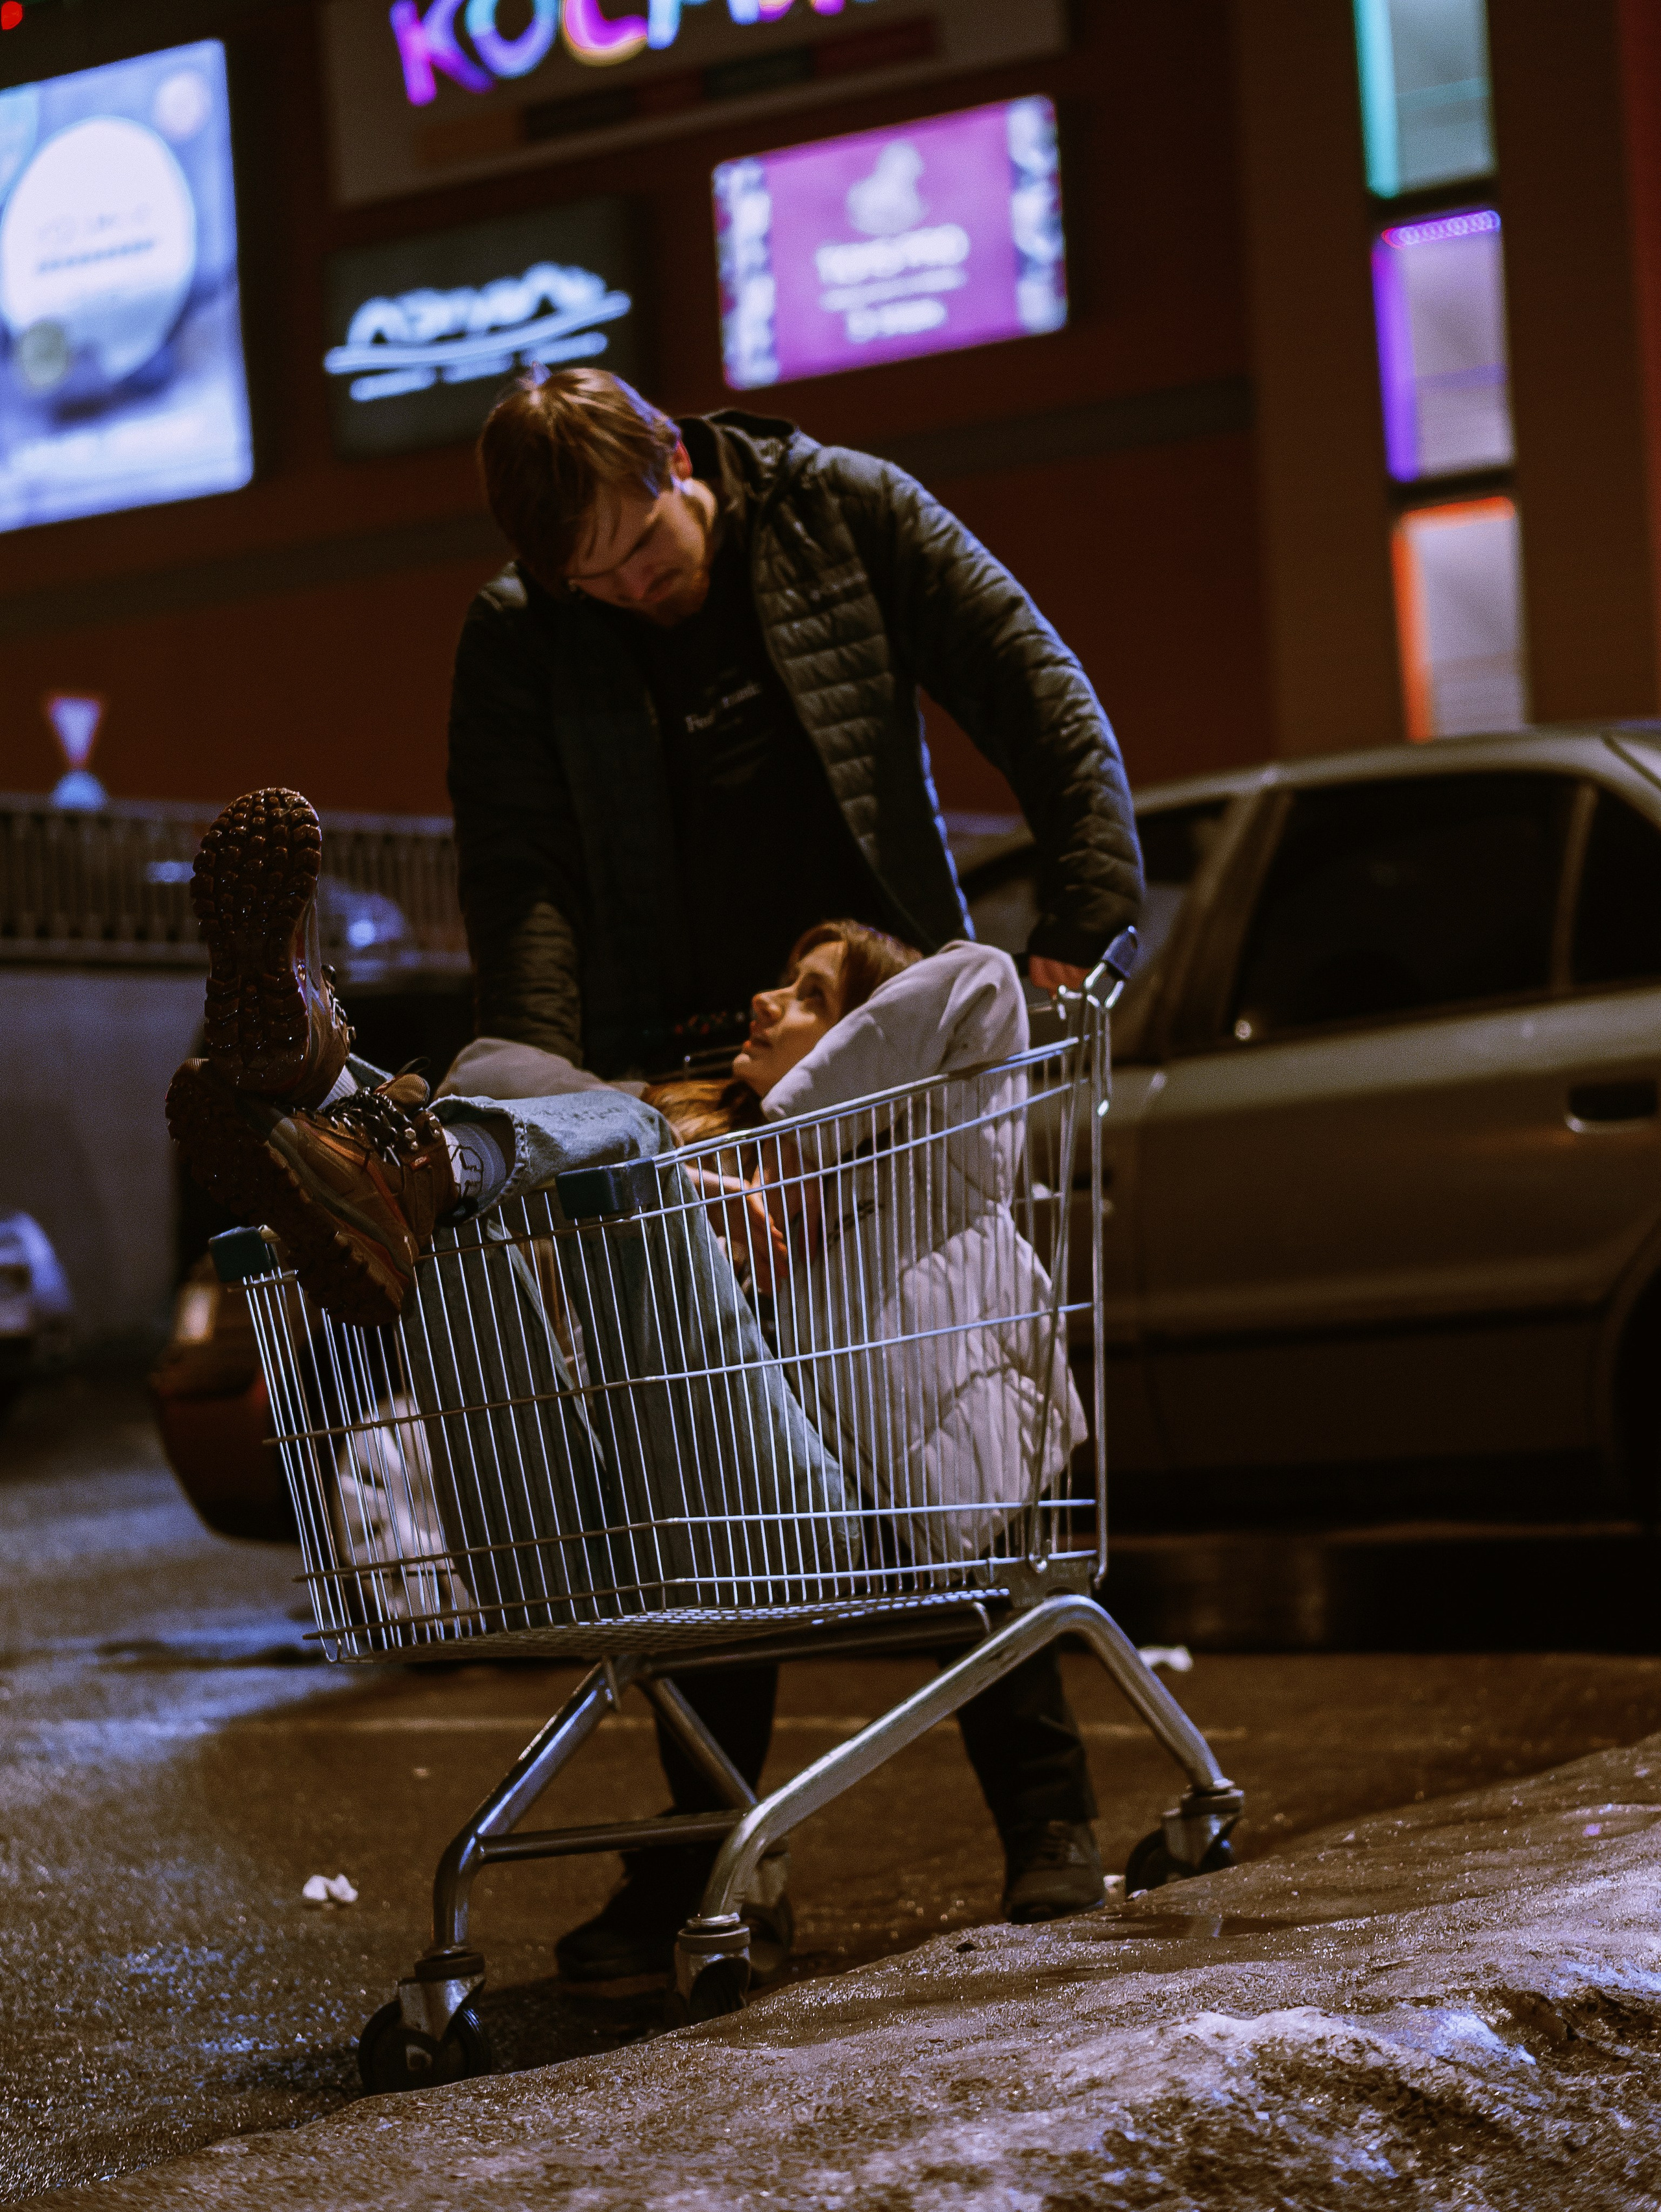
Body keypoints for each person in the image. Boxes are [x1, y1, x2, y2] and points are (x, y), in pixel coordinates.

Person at [170, 357, 1143, 1973]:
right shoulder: (520, 635)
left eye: (642, 553)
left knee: (919, 1401)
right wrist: (565, 1092)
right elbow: (525, 880)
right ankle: (372, 1123)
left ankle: (1043, 1815)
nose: (623, 590)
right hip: (655, 1072)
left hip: (853, 1028)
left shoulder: (846, 514)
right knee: (687, 1449)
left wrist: (1082, 929)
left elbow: (1032, 687)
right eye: (586, 580)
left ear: (681, 462)